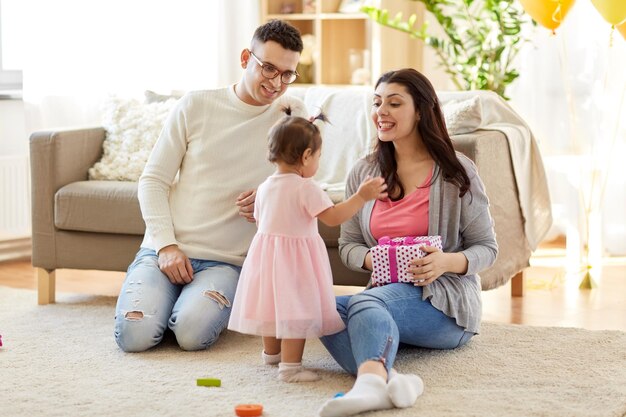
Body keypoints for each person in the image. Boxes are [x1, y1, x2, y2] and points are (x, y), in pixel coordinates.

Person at [114, 20, 309, 352]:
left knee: (192, 334)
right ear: (246, 58)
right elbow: (153, 180)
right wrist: (165, 247)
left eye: (287, 74)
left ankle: (182, 306)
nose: (276, 83)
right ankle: (159, 296)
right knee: (135, 336)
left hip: (227, 261)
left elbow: (301, 189)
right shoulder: (196, 105)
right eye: (268, 68)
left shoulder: (292, 114)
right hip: (166, 251)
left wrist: (267, 197)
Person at [318, 68, 498, 417]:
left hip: (445, 302)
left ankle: (369, 385)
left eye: (394, 103)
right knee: (319, 311)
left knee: (367, 304)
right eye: (377, 102)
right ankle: (394, 382)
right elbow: (349, 245)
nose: (381, 111)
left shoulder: (456, 172)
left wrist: (445, 262)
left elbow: (487, 248)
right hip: (385, 292)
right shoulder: (364, 171)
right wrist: (376, 259)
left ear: (420, 111)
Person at [228, 115, 388, 383]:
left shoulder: (265, 187)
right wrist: (361, 197)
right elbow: (334, 217)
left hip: (266, 258)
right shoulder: (306, 188)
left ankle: (272, 355)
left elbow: (260, 219)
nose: (318, 162)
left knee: (273, 305)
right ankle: (290, 368)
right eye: (318, 157)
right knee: (295, 310)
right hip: (295, 261)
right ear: (306, 156)